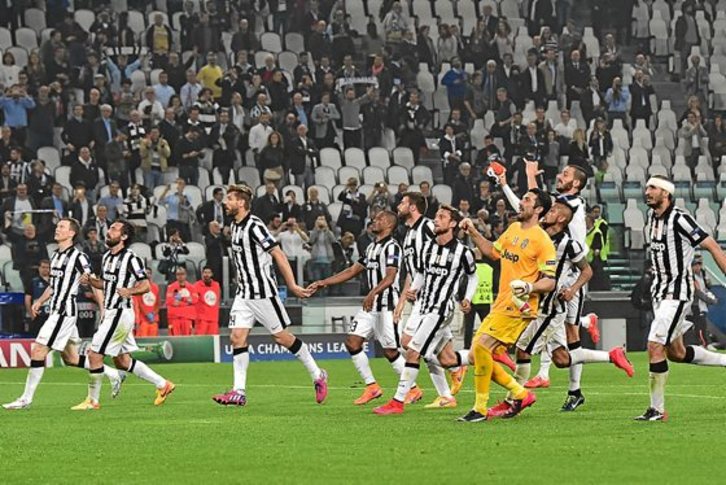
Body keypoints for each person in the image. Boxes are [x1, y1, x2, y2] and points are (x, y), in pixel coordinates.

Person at [492, 198, 633, 417]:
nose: (547, 213)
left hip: (549, 309)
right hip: (539, 304)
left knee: (522, 349)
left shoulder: (569, 245)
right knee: (561, 359)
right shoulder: (539, 235)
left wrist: (573, 289)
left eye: (552, 211)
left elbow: (587, 271)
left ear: (560, 219)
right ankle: (612, 356)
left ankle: (514, 401)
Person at [212, 185, 328, 406]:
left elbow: (278, 253)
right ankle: (238, 391)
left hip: (263, 292)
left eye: (230, 199)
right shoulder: (234, 226)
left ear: (241, 203)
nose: (226, 202)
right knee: (237, 337)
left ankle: (317, 374)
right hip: (244, 293)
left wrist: (292, 285)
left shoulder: (255, 226)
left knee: (282, 338)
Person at [500, 162, 600, 408]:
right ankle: (550, 376)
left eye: (565, 174)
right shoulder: (560, 205)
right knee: (559, 351)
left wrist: (525, 181)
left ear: (576, 183)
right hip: (552, 275)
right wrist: (527, 178)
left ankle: (570, 390)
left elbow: (536, 207)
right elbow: (535, 205)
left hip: (569, 276)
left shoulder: (572, 205)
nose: (560, 176)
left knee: (569, 334)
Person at [456, 188, 556, 422]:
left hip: (519, 306)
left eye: (527, 200)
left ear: (539, 209)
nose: (521, 203)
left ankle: (480, 409)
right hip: (501, 302)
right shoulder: (513, 229)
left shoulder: (542, 240)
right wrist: (473, 231)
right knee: (476, 354)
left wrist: (530, 287)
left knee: (481, 348)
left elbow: (550, 281)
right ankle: (520, 393)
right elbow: (492, 251)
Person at [3, 219, 123, 410]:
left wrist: (103, 307)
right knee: (71, 359)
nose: (57, 229)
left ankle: (26, 399)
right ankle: (113, 373)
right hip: (57, 311)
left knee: (38, 350)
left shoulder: (78, 257)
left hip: (64, 312)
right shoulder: (56, 255)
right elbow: (54, 285)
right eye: (57, 226)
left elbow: (93, 281)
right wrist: (40, 301)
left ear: (71, 233)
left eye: (61, 227)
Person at [634, 176, 726, 421]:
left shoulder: (680, 219)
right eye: (647, 187)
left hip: (676, 294)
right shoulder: (652, 217)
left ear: (666, 193)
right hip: (659, 293)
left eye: (653, 187)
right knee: (676, 352)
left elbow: (711, 245)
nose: (647, 191)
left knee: (654, 345)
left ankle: (657, 410)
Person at [374, 204, 477, 415]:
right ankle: (484, 355)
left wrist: (467, 297)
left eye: (442, 217)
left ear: (453, 223)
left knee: (413, 351)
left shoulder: (462, 252)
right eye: (436, 216)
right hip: (425, 307)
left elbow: (472, 275)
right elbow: (421, 272)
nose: (436, 220)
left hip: (441, 310)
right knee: (446, 359)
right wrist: (414, 289)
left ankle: (397, 402)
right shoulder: (428, 248)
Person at [73, 220, 176, 410]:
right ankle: (163, 384)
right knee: (122, 361)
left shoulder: (131, 258)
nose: (109, 231)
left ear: (124, 236)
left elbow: (145, 285)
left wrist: (129, 291)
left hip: (119, 313)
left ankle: (92, 401)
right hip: (113, 313)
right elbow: (105, 284)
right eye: (110, 228)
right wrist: (90, 281)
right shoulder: (106, 257)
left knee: (94, 355)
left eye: (114, 229)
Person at [308, 211, 404, 405]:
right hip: (371, 306)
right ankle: (372, 386)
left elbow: (390, 277)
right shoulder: (371, 248)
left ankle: (412, 388)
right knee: (352, 342)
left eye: (379, 219)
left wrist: (372, 293)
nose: (374, 221)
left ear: (389, 224)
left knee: (391, 351)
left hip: (387, 305)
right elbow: (352, 270)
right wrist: (323, 282)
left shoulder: (393, 247)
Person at [393, 193, 467, 409]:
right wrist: (404, 298)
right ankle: (451, 381)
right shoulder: (408, 233)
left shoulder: (427, 226)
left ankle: (450, 376)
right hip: (421, 297)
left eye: (403, 203)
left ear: (413, 207)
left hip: (434, 298)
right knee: (440, 355)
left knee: (410, 344)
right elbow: (415, 270)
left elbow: (444, 253)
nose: (399, 206)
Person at [165, 266, 198, 336]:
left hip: (187, 318)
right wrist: (187, 303)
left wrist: (182, 299)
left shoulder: (192, 287)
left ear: (186, 275)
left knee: (187, 339)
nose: (180, 276)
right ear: (176, 276)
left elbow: (195, 300)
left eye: (182, 274)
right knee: (175, 339)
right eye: (178, 274)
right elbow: (170, 301)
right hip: (174, 318)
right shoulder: (171, 287)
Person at [24, 259, 51, 337]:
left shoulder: (55, 281)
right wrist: (31, 315)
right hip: (39, 317)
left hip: (52, 316)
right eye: (43, 267)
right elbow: (27, 300)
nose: (45, 269)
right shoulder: (33, 282)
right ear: (39, 268)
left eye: (47, 267)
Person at [193, 266, 221, 335]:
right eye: (205, 272)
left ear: (212, 274)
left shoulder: (216, 285)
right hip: (201, 319)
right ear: (202, 274)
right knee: (200, 339)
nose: (207, 275)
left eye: (209, 273)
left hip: (213, 319)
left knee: (213, 339)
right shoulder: (196, 286)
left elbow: (217, 300)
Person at [133, 269, 160, 337]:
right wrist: (146, 314)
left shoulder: (155, 287)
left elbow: (158, 303)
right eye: (146, 273)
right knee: (143, 339)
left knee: (153, 340)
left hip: (154, 320)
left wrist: (154, 313)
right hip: (143, 320)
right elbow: (139, 304)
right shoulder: (139, 287)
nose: (148, 275)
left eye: (149, 273)